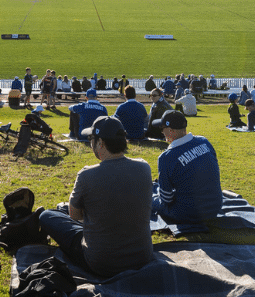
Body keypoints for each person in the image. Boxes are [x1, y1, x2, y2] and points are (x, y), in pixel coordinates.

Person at [38, 116, 154, 276]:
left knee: (47, 215)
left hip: (101, 263)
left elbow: (75, 216)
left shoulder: (87, 175)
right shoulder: (144, 167)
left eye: (91, 139)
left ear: (100, 143)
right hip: (142, 257)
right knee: (65, 209)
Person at [153, 110, 223, 225]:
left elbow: (166, 199)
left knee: (151, 198)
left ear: (171, 131)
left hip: (189, 213)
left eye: (162, 128)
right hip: (215, 207)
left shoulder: (166, 157)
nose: (161, 131)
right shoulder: (204, 141)